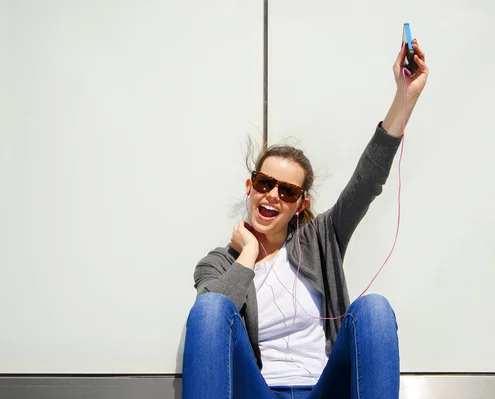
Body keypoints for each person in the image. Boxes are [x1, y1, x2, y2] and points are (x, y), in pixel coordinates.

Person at [182, 38, 429, 399]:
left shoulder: (320, 239)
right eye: (265, 184)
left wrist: (406, 96)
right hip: (259, 392)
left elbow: (367, 181)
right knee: (209, 308)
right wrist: (248, 254)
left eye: (288, 191)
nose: (273, 196)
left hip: (324, 390)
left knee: (374, 309)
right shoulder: (219, 263)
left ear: (300, 204)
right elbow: (211, 327)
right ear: (250, 187)